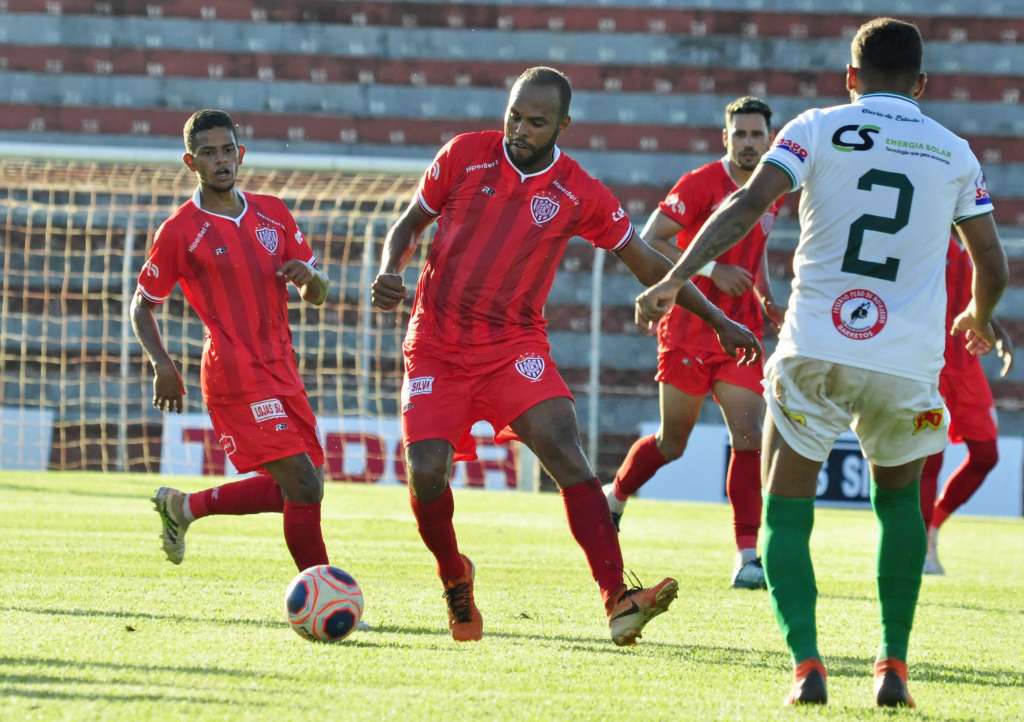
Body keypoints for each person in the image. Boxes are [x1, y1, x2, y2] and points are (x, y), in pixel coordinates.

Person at [634, 18, 1007, 708]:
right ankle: (892, 662)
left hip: (814, 347)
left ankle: (807, 664)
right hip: (906, 362)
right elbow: (991, 260)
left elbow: (747, 203)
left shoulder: (813, 126)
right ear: (921, 85)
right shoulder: (955, 152)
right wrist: (978, 317)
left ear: (850, 78)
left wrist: (673, 276)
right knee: (898, 504)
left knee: (785, 504)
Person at [371, 66, 762, 646]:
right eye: (514, 116)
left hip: (513, 346)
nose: (519, 130)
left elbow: (649, 262)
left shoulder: (578, 190)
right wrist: (389, 269)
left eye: (536, 122)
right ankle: (454, 574)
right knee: (426, 473)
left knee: (566, 451)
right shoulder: (464, 154)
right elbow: (408, 223)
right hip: (436, 345)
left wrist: (721, 318)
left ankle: (617, 599)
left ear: (563, 125)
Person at [131, 109, 333, 573]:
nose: (220, 160)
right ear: (191, 162)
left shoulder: (274, 212)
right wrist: (162, 364)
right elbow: (141, 304)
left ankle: (184, 508)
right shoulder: (180, 230)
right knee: (303, 485)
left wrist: (309, 280)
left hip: (282, 367)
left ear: (240, 154)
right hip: (234, 373)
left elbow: (319, 293)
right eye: (208, 153)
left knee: (305, 485)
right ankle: (324, 593)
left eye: (227, 150)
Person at [605, 96, 785, 590]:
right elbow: (653, 237)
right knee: (673, 442)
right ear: (725, 138)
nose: (750, 143)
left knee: (748, 437)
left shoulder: (773, 187)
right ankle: (615, 497)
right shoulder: (701, 183)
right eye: (741, 134)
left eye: (757, 135)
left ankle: (748, 556)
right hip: (688, 327)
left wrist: (767, 297)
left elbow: (758, 251)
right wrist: (710, 268)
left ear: (770, 139)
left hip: (740, 330)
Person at [920, 236, 1014, 574]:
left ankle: (933, 529)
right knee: (930, 457)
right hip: (929, 362)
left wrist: (996, 329)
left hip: (966, 365)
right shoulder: (928, 225)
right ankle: (920, 548)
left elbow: (974, 297)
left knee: (986, 454)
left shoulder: (974, 236)